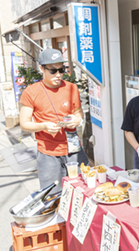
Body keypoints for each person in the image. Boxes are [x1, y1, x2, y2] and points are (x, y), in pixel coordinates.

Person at [20, 49, 89, 193]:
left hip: (74, 148)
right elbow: (24, 123)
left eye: (61, 70)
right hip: (48, 152)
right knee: (52, 195)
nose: (58, 75)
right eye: (53, 71)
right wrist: (44, 126)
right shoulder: (31, 92)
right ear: (41, 68)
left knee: (82, 190)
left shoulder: (72, 88)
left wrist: (77, 120)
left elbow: (78, 112)